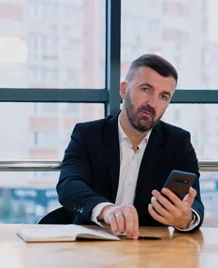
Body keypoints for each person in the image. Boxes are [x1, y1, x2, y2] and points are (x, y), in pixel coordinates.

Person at [56, 54, 204, 239]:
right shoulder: (88, 135)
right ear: (124, 90)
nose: (152, 103)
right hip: (91, 246)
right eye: (145, 89)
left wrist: (186, 219)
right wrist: (107, 211)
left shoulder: (178, 142)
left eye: (163, 96)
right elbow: (68, 186)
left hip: (150, 252)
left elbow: (195, 203)